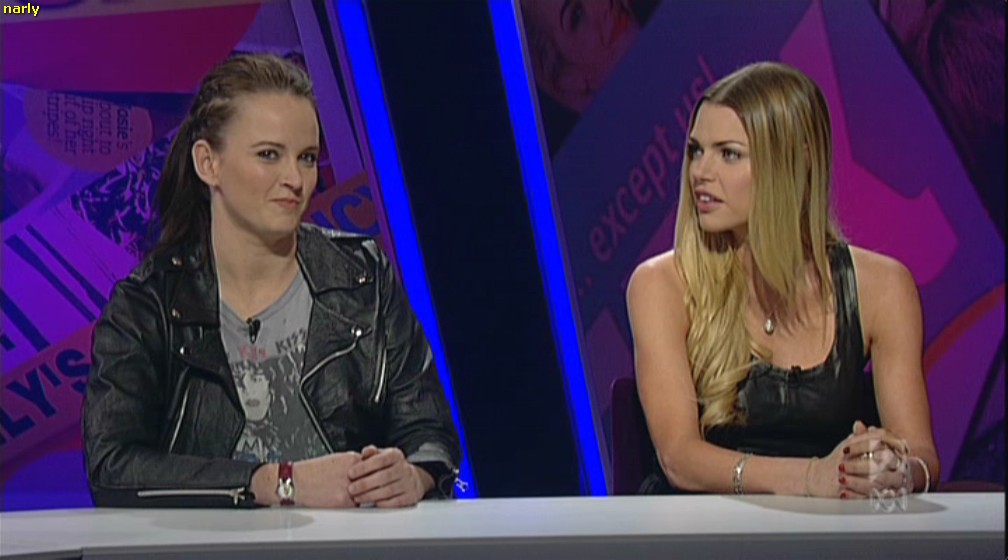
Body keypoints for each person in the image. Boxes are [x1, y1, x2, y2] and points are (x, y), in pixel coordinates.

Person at [83, 54, 460, 508]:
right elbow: (113, 467)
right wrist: (275, 482)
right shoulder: (148, 305)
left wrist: (412, 475)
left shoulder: (363, 275)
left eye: (307, 158)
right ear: (208, 163)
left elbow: (428, 432)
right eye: (269, 155)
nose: (295, 179)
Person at [626, 62, 940, 497]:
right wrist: (811, 478)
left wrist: (898, 471)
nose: (700, 172)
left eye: (728, 153)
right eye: (696, 150)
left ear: (796, 161)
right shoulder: (660, 285)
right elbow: (679, 457)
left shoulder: (883, 288)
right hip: (704, 525)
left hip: (830, 526)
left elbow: (920, 452)